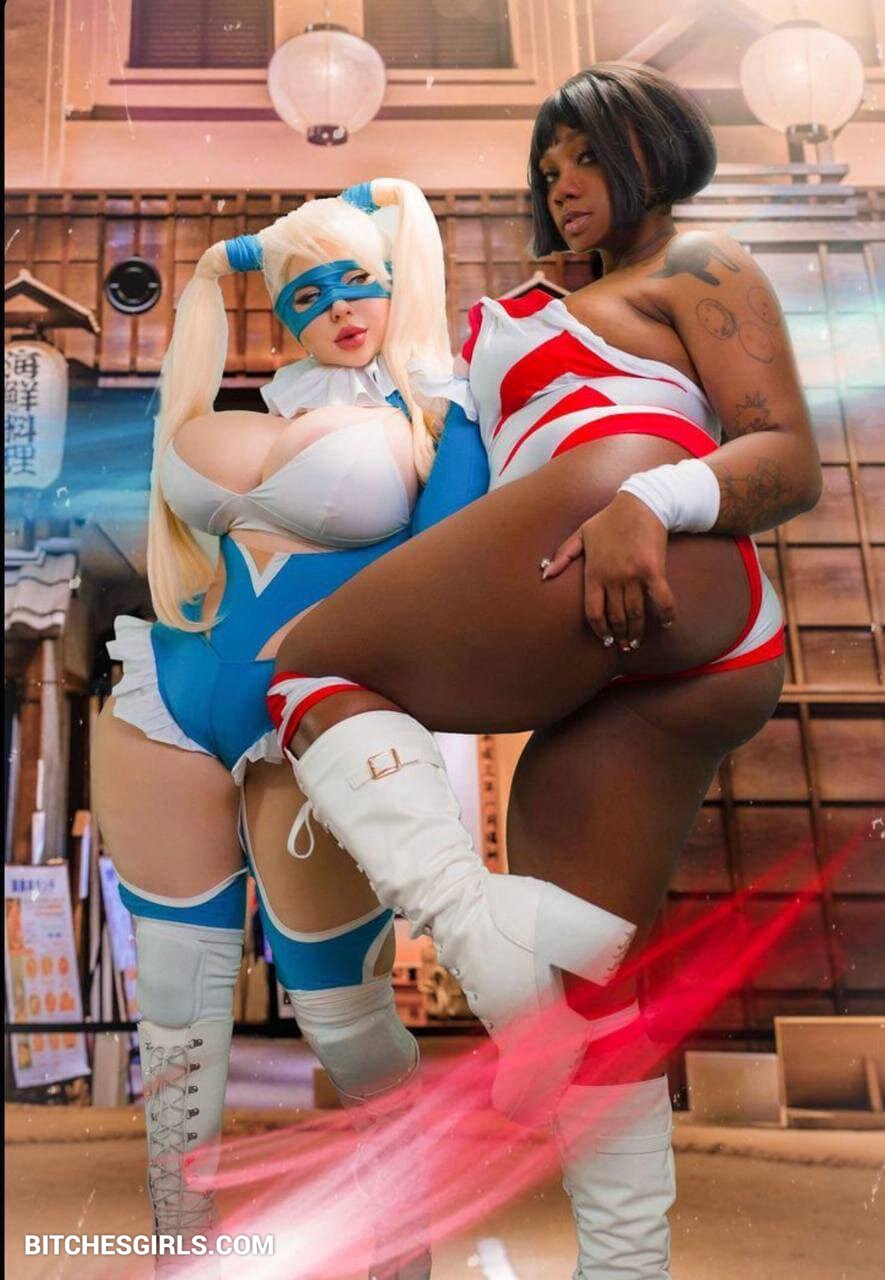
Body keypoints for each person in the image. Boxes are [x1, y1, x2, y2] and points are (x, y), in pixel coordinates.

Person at [264, 65, 821, 1277]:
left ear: (652, 145)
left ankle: (472, 927)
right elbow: (446, 503)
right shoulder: (501, 318)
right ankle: (627, 1263)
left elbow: (789, 457)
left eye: (587, 153)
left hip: (656, 535)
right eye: (548, 165)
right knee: (583, 988)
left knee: (306, 670)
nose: (562, 181)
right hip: (661, 655)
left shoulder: (698, 265)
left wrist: (651, 499)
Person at [91, 178, 488, 1278]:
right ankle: (178, 1251)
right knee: (174, 1010)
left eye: (358, 281)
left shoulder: (431, 410)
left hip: (309, 720)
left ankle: (400, 1249)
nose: (339, 307)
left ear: (395, 281)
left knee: (342, 1013)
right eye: (308, 294)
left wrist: (453, 409)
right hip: (166, 700)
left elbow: (452, 552)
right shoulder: (257, 405)